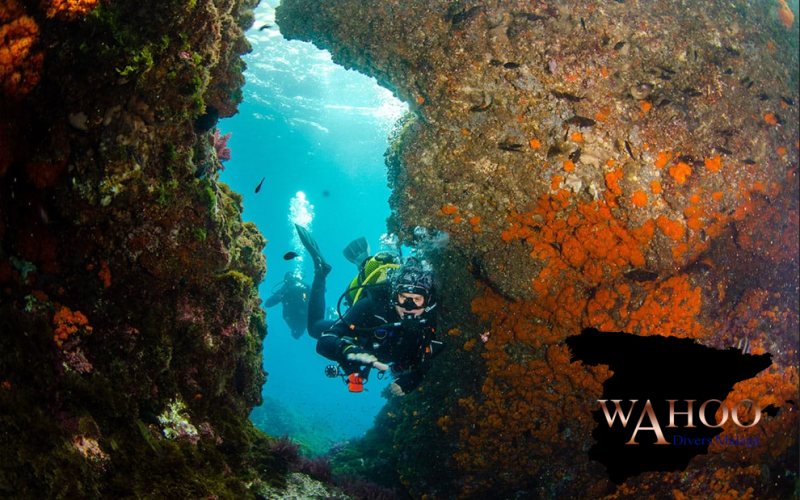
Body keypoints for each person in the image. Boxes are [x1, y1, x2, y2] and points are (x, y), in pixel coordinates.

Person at [316, 257, 443, 397]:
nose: (409, 307)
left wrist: (415, 378)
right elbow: (324, 341)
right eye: (403, 298)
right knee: (314, 327)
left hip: (383, 352)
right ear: (394, 297)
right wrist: (345, 349)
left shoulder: (429, 316)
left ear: (427, 301)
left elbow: (427, 355)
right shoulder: (372, 305)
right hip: (358, 333)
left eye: (417, 299)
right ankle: (320, 273)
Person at [264, 271, 309, 339]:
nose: (291, 280)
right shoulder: (284, 290)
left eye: (292, 277)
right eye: (289, 278)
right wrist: (281, 296)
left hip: (303, 313)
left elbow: (318, 291)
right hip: (295, 315)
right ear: (285, 281)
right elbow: (268, 303)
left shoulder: (302, 286)